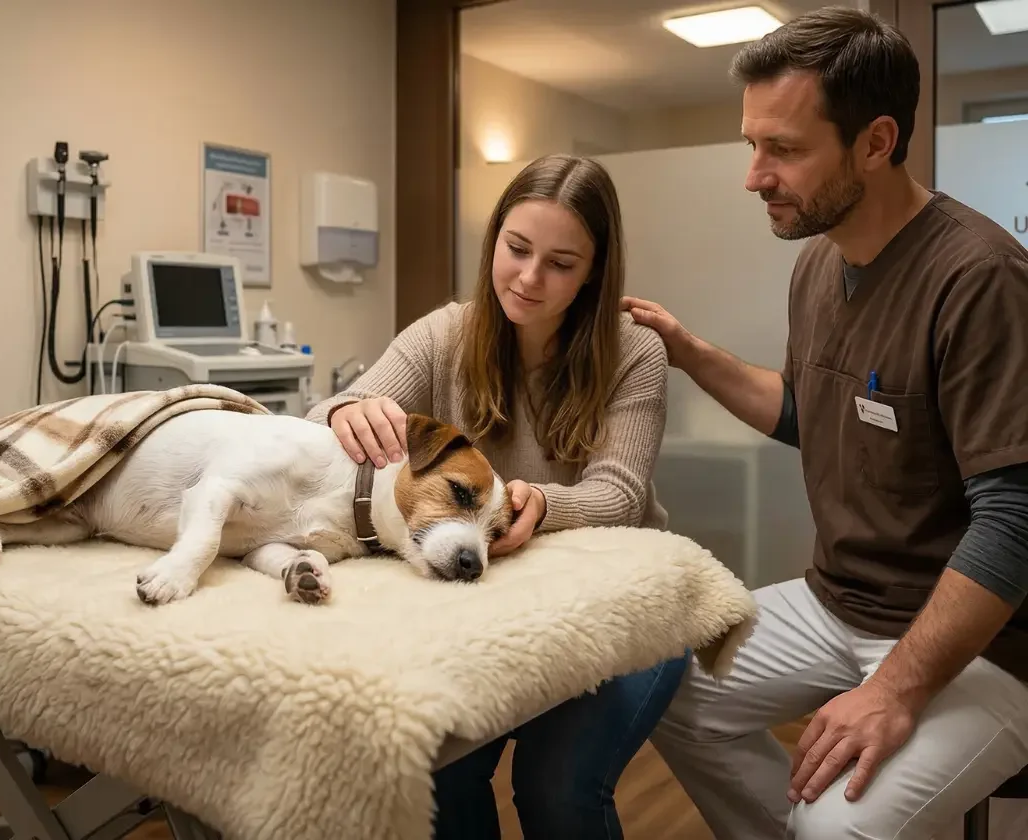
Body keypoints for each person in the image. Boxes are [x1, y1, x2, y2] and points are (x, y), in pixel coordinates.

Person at [622, 7, 1028, 839]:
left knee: (835, 828)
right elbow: (810, 414)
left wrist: (894, 690)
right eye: (752, 145)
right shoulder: (819, 261)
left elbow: (1017, 520)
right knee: (653, 688)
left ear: (876, 143)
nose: (755, 177)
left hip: (983, 643)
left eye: (784, 149)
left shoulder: (981, 278)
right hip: (838, 601)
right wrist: (690, 352)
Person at [305, 153, 688, 839]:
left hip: (623, 601)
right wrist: (345, 412)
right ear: (494, 241)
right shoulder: (445, 334)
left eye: (561, 263)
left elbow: (619, 496)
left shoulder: (634, 351)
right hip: (495, 610)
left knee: (557, 790)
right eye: (516, 249)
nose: (529, 278)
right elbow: (328, 416)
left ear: (595, 271)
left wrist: (536, 504)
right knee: (437, 773)